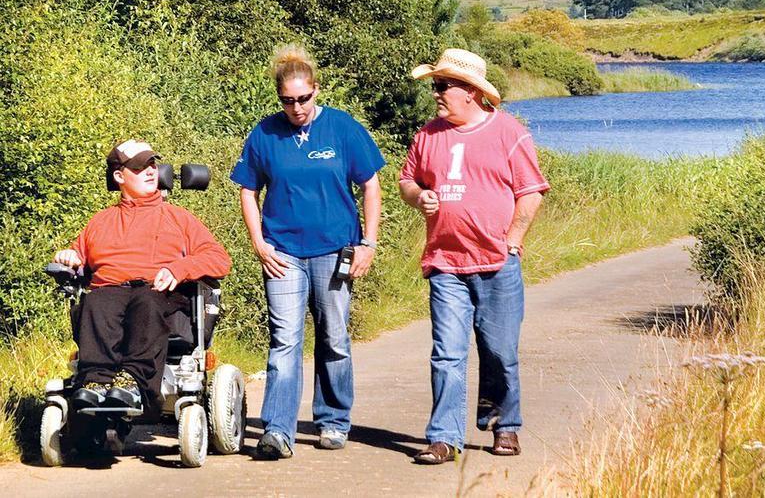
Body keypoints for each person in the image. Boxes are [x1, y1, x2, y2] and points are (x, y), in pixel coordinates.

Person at [231, 44, 385, 460]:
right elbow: (248, 190)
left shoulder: (342, 128)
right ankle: (278, 430)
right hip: (283, 252)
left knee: (334, 337)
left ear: (316, 90)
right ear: (278, 97)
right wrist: (259, 243)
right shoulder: (265, 134)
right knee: (284, 340)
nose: (296, 107)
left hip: (336, 249)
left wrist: (368, 242)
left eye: (304, 98)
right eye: (287, 100)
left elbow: (370, 184)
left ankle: (333, 419)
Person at [399, 48, 549, 465]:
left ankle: (506, 425)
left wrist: (514, 238)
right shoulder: (427, 135)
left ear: (470, 92)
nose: (436, 94)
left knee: (500, 351)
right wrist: (420, 196)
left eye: (443, 86)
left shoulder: (508, 132)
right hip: (445, 262)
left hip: (497, 263)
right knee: (447, 353)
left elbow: (531, 190)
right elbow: (407, 181)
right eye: (435, 86)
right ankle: (444, 437)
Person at [53, 140, 231, 416]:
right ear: (119, 177)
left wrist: (178, 268)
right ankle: (95, 381)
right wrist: (70, 257)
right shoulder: (100, 222)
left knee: (146, 301)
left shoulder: (178, 218)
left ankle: (134, 383)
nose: (150, 172)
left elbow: (219, 260)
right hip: (109, 291)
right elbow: (79, 257)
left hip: (159, 293)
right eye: (139, 167)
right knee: (96, 302)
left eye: (152, 164)